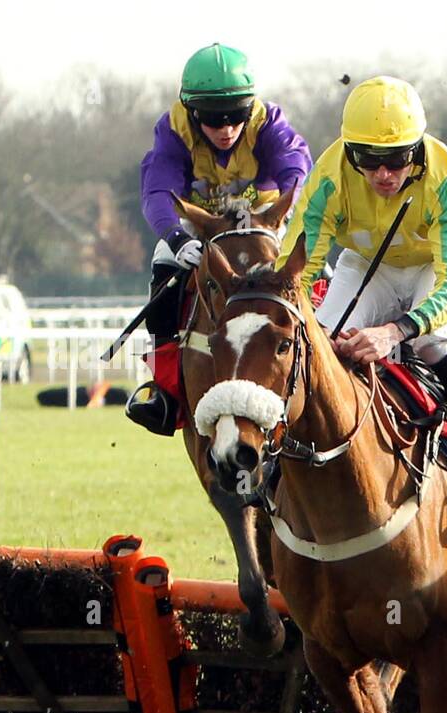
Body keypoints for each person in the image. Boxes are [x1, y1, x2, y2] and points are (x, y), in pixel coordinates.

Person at [277, 75, 447, 519]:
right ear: (348, 152)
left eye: (396, 160)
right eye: (368, 160)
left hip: (435, 267)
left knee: (432, 343)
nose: (383, 174)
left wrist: (394, 332)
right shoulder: (328, 177)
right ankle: (281, 461)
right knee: (316, 342)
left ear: (416, 149)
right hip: (367, 262)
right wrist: (303, 315)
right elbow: (298, 268)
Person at [127, 43, 312, 435]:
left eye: (236, 118)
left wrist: (285, 210)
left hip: (262, 223)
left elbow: (297, 169)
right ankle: (165, 395)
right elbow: (156, 193)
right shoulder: (173, 131)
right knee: (163, 269)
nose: (227, 130)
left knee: (319, 272)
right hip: (202, 225)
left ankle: (328, 373)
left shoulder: (268, 123)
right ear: (193, 114)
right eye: (213, 120)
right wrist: (177, 239)